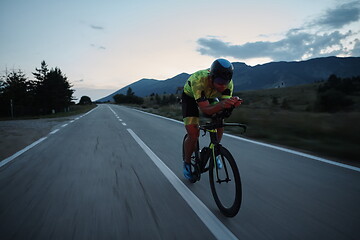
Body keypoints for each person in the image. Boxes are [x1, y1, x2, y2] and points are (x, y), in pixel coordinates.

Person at [182, 58, 242, 181]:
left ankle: (215, 151)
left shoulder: (227, 85)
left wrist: (230, 106)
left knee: (220, 120)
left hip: (209, 97)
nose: (223, 86)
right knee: (193, 134)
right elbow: (206, 110)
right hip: (190, 98)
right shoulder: (199, 80)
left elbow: (223, 110)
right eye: (220, 81)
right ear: (211, 77)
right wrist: (222, 104)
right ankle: (187, 163)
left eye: (226, 82)